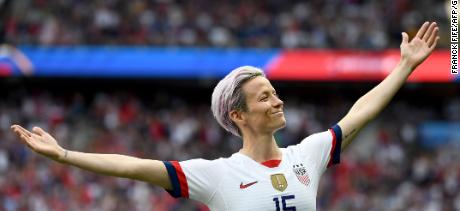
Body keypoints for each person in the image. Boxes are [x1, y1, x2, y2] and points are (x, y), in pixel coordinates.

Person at [11, 21, 440, 210]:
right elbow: (135, 167)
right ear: (238, 115)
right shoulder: (215, 175)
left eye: (276, 93)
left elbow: (360, 111)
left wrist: (403, 66)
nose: (278, 101)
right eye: (265, 98)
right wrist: (66, 156)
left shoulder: (306, 155)